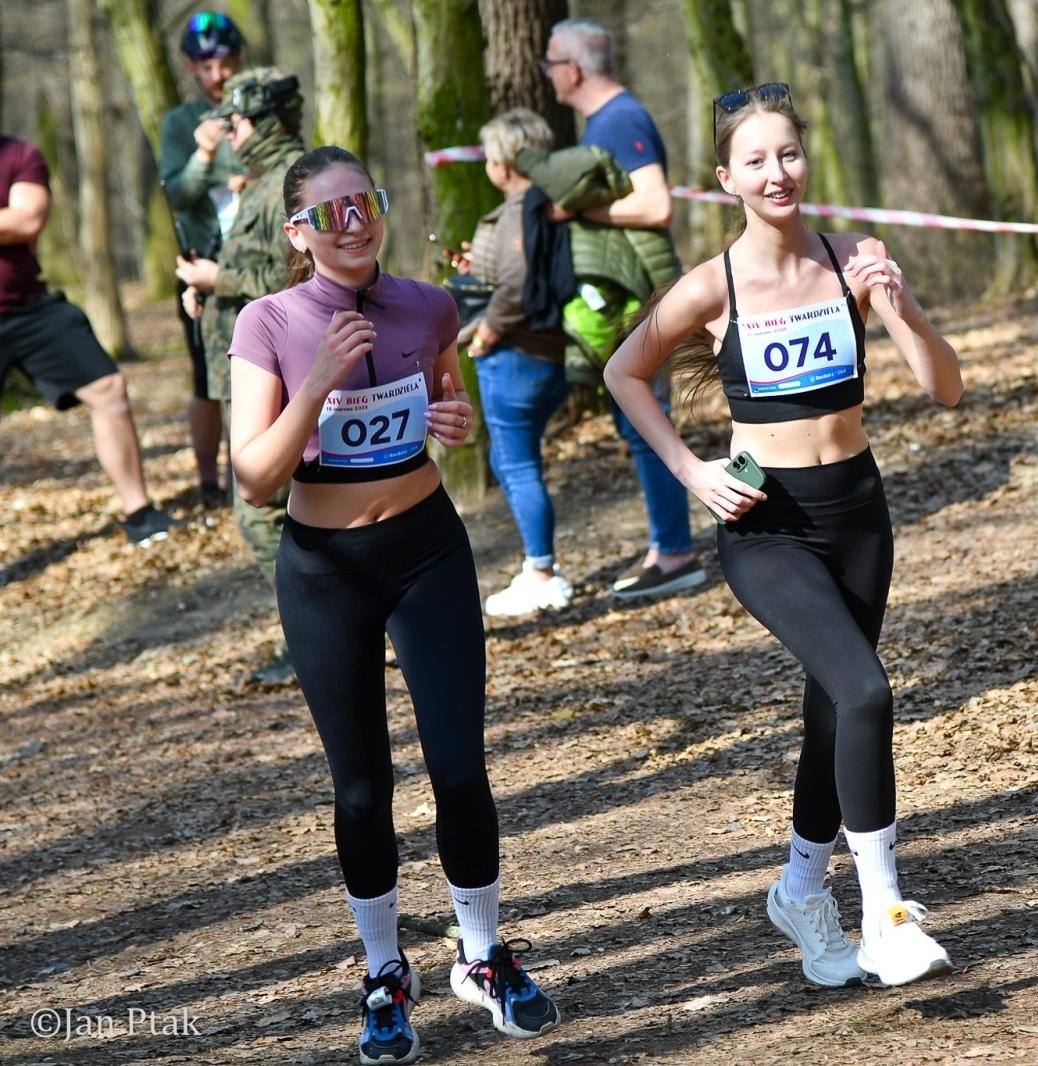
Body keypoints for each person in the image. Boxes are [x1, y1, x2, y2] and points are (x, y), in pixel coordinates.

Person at [604, 84, 963, 988]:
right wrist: (691, 471)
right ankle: (885, 916)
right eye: (756, 160)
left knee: (833, 711)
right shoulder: (711, 285)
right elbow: (624, 372)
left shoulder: (853, 258)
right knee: (867, 692)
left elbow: (946, 388)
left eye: (789, 154)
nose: (777, 173)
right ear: (725, 179)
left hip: (858, 514)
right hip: (767, 524)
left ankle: (801, 890)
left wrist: (900, 306)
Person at [229, 145, 559, 1063]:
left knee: (458, 767)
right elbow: (254, 476)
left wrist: (456, 426)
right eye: (330, 212)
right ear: (297, 232)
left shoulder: (428, 304)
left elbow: (449, 413)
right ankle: (384, 971)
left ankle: (482, 954)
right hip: (325, 570)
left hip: (427, 553)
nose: (354, 223)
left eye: (365, 203)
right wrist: (318, 383)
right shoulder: (268, 322)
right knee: (362, 786)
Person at [542, 17, 705, 600]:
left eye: (550, 63)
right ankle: (667, 545)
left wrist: (581, 212)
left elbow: (656, 205)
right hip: (630, 299)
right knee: (639, 422)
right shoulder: (607, 120)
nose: (546, 73)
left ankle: (677, 551)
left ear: (573, 69)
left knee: (648, 419)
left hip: (646, 299)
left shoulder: (621, 119)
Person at [174, 67, 302, 685]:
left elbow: (294, 280)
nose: (231, 134)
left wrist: (217, 280)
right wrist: (209, 289)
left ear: (265, 121)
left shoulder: (292, 182)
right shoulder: (262, 181)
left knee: (264, 513)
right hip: (250, 372)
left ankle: (320, 638)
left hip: (281, 373)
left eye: (239, 122)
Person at [0, 133, 173, 546]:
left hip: (27, 306)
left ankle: (140, 514)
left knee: (108, 388)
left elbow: (27, 220)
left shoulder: (19, 154)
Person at [458, 109, 575, 617]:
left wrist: (487, 332)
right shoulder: (551, 204)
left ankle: (542, 572)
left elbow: (517, 284)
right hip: (549, 352)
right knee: (512, 460)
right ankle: (540, 566)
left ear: (504, 162)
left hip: (516, 356)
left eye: (490, 156)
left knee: (517, 464)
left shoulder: (519, 211)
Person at [159, 10, 247, 508]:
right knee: (207, 380)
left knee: (257, 375)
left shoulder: (259, 109)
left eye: (226, 63)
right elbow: (177, 193)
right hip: (201, 264)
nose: (218, 74)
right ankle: (209, 482)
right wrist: (206, 159)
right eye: (207, 66)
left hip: (254, 263)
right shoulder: (180, 123)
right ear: (192, 67)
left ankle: (248, 477)